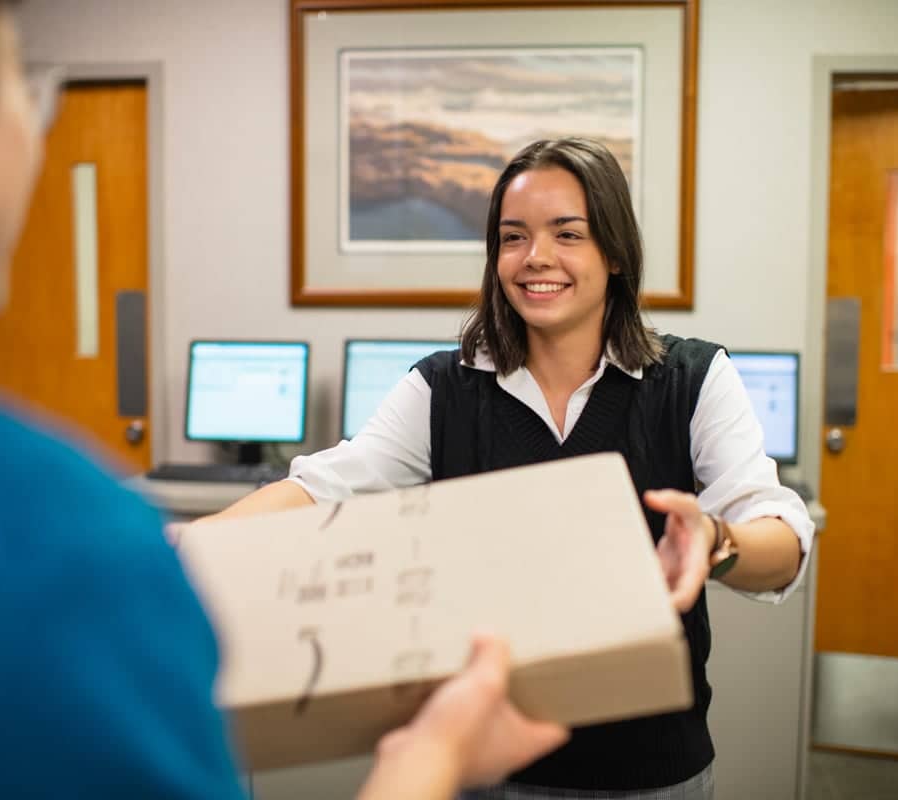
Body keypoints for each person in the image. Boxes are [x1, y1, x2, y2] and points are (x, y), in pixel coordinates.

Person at [0, 1, 567, 797]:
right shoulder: (51, 551)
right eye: (22, 87)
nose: (32, 137)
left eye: (567, 234)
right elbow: (322, 484)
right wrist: (429, 763)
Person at [208, 137, 816, 799]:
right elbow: (321, 488)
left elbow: (781, 539)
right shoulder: (445, 389)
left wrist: (715, 540)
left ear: (614, 251)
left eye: (568, 234)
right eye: (513, 236)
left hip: (652, 772)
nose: (537, 258)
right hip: (485, 767)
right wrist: (187, 547)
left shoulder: (691, 380)